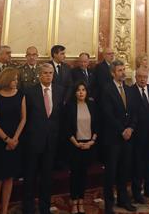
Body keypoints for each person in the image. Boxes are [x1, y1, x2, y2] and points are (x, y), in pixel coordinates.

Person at [22, 64, 63, 214]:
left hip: (51, 141)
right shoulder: (29, 92)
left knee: (47, 177)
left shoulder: (59, 90)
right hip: (33, 140)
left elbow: (59, 116)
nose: (48, 75)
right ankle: (28, 207)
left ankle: (45, 207)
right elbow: (25, 117)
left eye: (50, 73)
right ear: (40, 74)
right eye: (45, 73)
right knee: (30, 176)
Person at [0, 67, 26, 214]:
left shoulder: (21, 95)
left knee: (9, 177)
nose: (16, 82)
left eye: (17, 79)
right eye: (13, 79)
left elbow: (24, 118)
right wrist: (7, 139)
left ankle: (4, 209)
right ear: (6, 79)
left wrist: (15, 139)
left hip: (15, 141)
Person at [100, 60, 137, 213]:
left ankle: (123, 200)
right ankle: (109, 203)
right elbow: (107, 114)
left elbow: (134, 112)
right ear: (113, 73)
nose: (123, 73)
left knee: (124, 170)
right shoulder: (106, 90)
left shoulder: (129, 89)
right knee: (111, 172)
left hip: (128, 137)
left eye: (124, 70)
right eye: (120, 70)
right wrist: (122, 130)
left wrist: (131, 128)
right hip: (113, 138)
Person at [63, 80, 99, 214]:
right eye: (78, 90)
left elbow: (97, 125)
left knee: (83, 174)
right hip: (75, 145)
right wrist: (76, 143)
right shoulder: (69, 106)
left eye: (83, 90)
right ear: (75, 93)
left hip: (88, 145)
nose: (81, 92)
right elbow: (66, 128)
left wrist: (92, 141)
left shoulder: (92, 105)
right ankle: (74, 201)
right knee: (75, 174)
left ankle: (81, 201)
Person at [130, 67, 149, 203]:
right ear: (136, 77)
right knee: (138, 164)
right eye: (140, 77)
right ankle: (137, 192)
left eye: (145, 77)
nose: (143, 79)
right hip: (137, 134)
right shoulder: (130, 91)